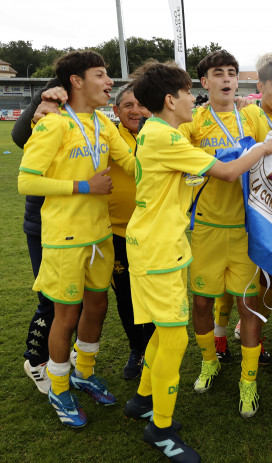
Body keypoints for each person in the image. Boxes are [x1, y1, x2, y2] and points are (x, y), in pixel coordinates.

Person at [122, 61, 272, 462]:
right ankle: (159, 429)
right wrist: (263, 148)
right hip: (159, 251)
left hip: (155, 246)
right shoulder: (168, 136)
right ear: (170, 99)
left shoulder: (156, 133)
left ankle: (142, 400)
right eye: (185, 92)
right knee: (174, 337)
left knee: (163, 335)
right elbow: (230, 172)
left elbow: (183, 178)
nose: (190, 99)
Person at [17, 50, 136, 427]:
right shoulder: (54, 124)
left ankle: (84, 371)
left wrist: (177, 155)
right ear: (76, 81)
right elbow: (27, 180)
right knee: (65, 315)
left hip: (100, 235)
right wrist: (85, 186)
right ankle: (58, 385)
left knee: (97, 306)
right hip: (65, 237)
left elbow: (133, 163)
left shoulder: (103, 122)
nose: (109, 82)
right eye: (101, 75)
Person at [179, 50, 267, 418]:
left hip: (247, 231)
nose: (228, 79)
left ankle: (249, 382)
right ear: (205, 82)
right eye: (219, 73)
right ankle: (208, 361)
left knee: (249, 307)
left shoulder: (252, 115)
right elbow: (179, 165)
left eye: (232, 73)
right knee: (201, 303)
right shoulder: (194, 122)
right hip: (207, 229)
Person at [14, 78, 61, 395]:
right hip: (44, 223)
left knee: (74, 301)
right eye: (98, 74)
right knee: (50, 300)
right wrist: (38, 100)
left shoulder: (90, 117)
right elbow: (20, 137)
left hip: (76, 225)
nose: (106, 80)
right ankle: (35, 360)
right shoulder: (49, 104)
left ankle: (59, 360)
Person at [109, 83, 155, 380]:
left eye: (140, 104)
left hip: (154, 232)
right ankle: (137, 348)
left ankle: (153, 349)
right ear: (116, 111)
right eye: (128, 105)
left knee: (152, 293)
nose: (136, 110)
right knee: (125, 295)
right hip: (118, 233)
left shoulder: (162, 135)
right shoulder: (108, 136)